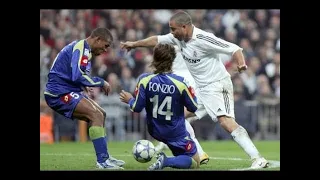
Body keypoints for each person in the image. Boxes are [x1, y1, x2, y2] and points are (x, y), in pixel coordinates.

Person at [120, 10, 269, 169]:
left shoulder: (204, 38)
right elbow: (157, 40)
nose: (171, 33)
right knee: (178, 115)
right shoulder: (178, 38)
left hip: (217, 85)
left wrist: (241, 64)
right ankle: (199, 153)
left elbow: (235, 48)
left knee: (225, 122)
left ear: (184, 27)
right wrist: (135, 44)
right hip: (202, 89)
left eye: (173, 29)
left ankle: (257, 158)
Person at [44, 27, 125, 169]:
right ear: (97, 39)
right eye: (105, 45)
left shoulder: (85, 50)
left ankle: (105, 156)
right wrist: (101, 82)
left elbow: (75, 74)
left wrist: (84, 86)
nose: (106, 50)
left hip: (66, 89)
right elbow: (77, 75)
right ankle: (102, 161)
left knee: (101, 114)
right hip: (58, 93)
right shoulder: (81, 48)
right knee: (95, 115)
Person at [119, 43, 200, 170]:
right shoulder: (181, 82)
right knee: (195, 162)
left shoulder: (144, 80)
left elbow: (137, 107)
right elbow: (194, 107)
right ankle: (166, 161)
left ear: (154, 59)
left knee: (180, 155)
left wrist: (129, 100)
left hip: (155, 130)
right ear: (172, 60)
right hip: (175, 132)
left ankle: (171, 159)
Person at [151, 46, 209, 165]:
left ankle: (194, 150)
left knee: (178, 118)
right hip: (192, 82)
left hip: (178, 81)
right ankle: (197, 151)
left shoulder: (173, 47)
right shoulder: (191, 46)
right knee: (180, 118)